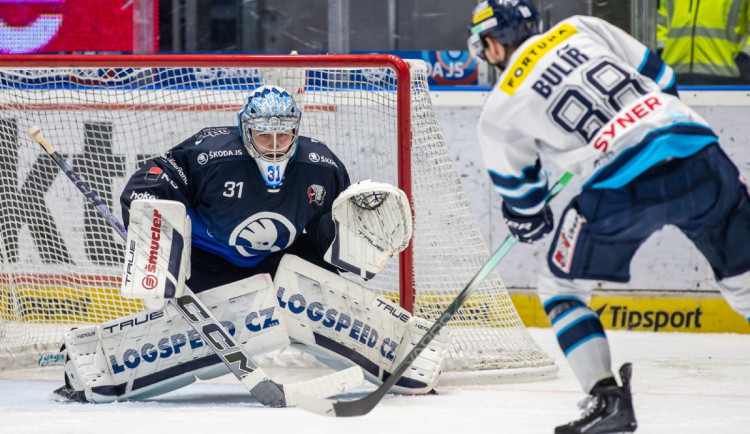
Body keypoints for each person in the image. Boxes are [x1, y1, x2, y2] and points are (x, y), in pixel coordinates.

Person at [54, 85, 450, 403]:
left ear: (296, 130)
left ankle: (404, 352)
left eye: (284, 133)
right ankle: (93, 361)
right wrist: (149, 217)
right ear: (246, 130)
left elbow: (328, 226)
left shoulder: (321, 165)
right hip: (209, 264)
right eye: (264, 134)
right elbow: (152, 180)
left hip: (278, 261)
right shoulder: (210, 154)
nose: (275, 143)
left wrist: (354, 244)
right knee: (195, 331)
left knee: (314, 293)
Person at [467, 1, 750, 433]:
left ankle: (606, 401)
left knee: (560, 286)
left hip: (622, 186)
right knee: (745, 283)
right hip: (696, 148)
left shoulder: (499, 108)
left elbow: (524, 200)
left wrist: (530, 216)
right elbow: (664, 80)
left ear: (489, 43)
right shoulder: (581, 26)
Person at [657, 0, 750, 84]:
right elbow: (661, 22)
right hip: (673, 72)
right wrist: (661, 52)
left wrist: (744, 58)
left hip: (725, 74)